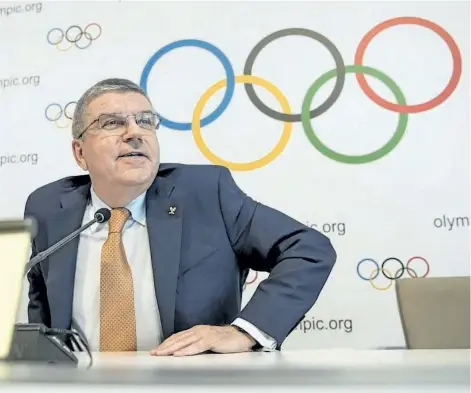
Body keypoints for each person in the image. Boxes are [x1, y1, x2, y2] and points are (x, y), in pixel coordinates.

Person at [25, 78, 336, 356]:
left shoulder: (206, 194)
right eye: (112, 123)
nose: (135, 133)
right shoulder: (49, 208)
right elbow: (41, 299)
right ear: (80, 153)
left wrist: (245, 331)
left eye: (146, 121)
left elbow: (308, 249)